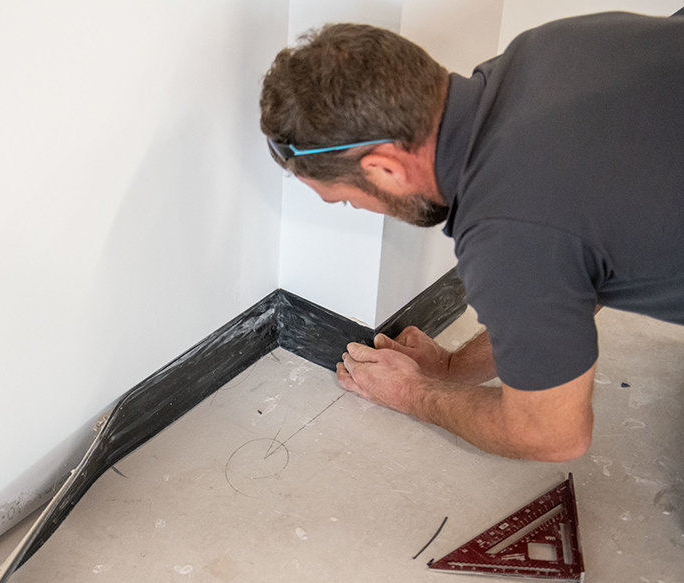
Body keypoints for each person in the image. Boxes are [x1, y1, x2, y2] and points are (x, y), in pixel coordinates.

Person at [259, 12, 684, 461]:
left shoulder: (511, 230)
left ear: (385, 168)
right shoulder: (551, 47)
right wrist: (450, 369)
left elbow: (553, 435)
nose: (356, 208)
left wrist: (413, 392)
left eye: (345, 199)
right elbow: (581, 256)